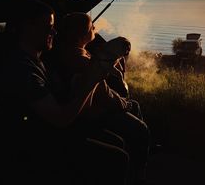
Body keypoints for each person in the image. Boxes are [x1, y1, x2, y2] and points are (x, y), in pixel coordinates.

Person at [0, 0, 129, 185]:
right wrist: (92, 80)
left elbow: (78, 107)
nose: (54, 31)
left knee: (116, 142)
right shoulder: (21, 69)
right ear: (28, 27)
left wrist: (94, 76)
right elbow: (60, 119)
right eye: (48, 26)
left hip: (54, 132)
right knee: (118, 158)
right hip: (38, 143)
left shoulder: (39, 61)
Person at [50, 12, 150, 184]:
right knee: (141, 127)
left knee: (134, 107)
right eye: (92, 27)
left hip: (91, 107)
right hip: (93, 112)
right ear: (82, 34)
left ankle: (140, 149)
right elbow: (105, 95)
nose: (95, 28)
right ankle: (139, 173)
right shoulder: (81, 60)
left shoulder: (69, 52)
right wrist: (124, 104)